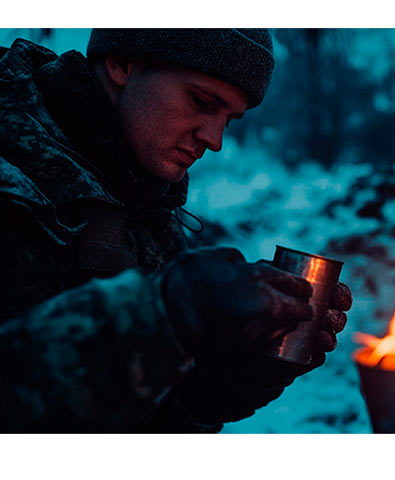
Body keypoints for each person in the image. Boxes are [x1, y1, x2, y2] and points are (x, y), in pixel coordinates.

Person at [0, 29, 351, 433]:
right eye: (202, 102)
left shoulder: (150, 207)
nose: (214, 140)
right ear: (122, 64)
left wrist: (218, 386)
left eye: (229, 120)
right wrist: (160, 315)